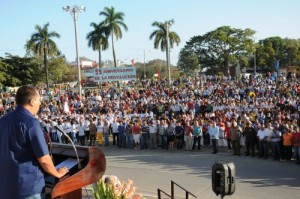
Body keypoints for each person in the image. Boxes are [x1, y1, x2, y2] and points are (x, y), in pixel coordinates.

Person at [0, 86, 69, 199]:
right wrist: (57, 173)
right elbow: (44, 160)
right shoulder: (31, 123)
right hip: (27, 187)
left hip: (5, 187)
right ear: (31, 101)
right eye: (39, 100)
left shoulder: (2, 121)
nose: (40, 104)